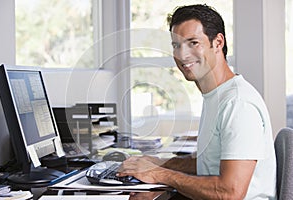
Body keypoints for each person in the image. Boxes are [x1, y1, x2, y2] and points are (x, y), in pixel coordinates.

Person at [118, 4, 277, 199]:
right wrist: (159, 163)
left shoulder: (237, 103)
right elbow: (209, 163)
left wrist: (159, 174)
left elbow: (230, 192)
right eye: (176, 45)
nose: (182, 55)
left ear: (218, 42)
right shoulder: (217, 95)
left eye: (193, 43)